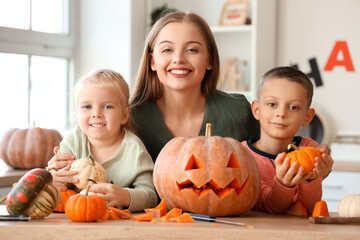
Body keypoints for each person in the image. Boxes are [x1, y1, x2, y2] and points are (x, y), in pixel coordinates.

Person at [130, 11, 260, 162]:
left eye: (192, 49)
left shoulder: (239, 112)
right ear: (152, 61)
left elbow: (264, 173)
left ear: (209, 60)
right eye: (167, 49)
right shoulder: (132, 120)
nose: (178, 59)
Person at [47, 69, 158, 212]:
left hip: (117, 224)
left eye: (107, 107)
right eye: (87, 106)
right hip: (73, 218)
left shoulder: (134, 149)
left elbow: (150, 195)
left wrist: (125, 196)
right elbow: (51, 179)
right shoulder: (73, 141)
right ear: (78, 112)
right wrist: (51, 179)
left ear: (124, 115)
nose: (96, 114)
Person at [241, 66, 333, 215]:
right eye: (272, 104)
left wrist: (313, 178)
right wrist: (283, 185)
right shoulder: (241, 155)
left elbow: (310, 207)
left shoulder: (310, 149)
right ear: (256, 110)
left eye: (293, 107)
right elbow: (268, 208)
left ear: (307, 117)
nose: (281, 113)